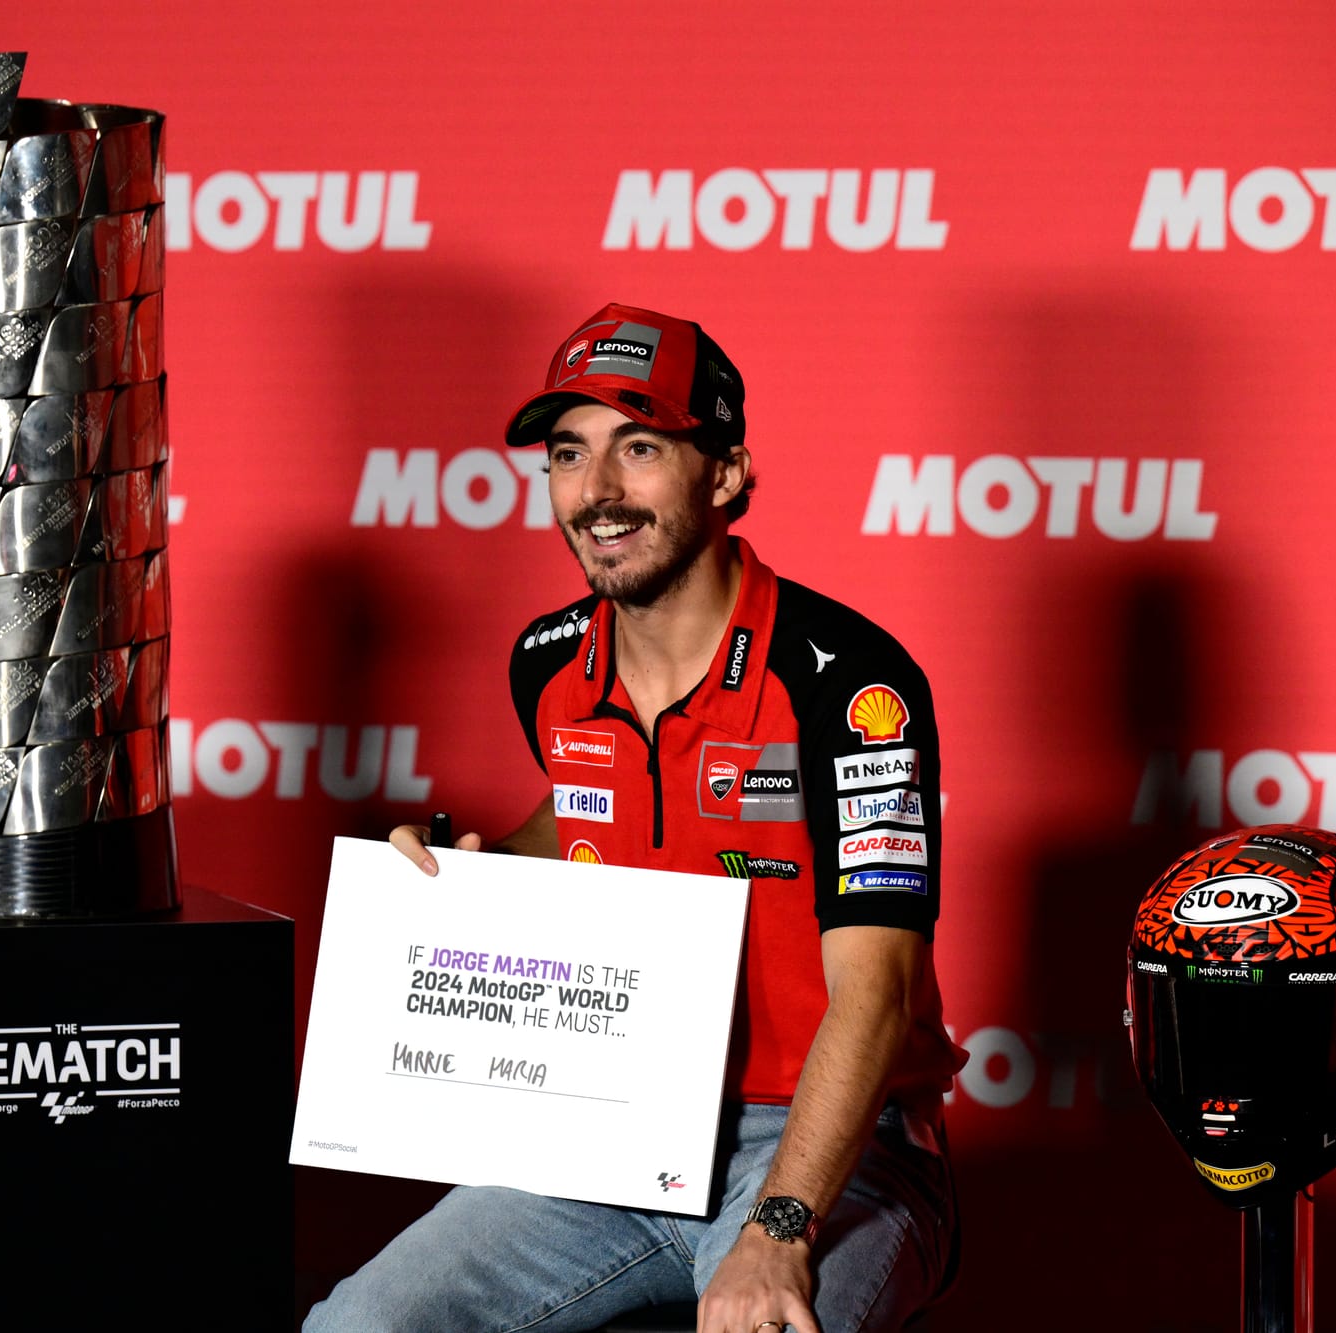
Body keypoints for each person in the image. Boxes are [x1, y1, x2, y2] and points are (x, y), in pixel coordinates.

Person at [304, 303, 967, 1333]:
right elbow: (588, 821)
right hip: (612, 1132)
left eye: (640, 447)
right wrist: (455, 871)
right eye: (569, 454)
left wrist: (779, 1228)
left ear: (726, 474)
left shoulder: (845, 683)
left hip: (829, 1151)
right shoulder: (547, 664)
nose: (597, 493)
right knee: (354, 1327)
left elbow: (873, 998)